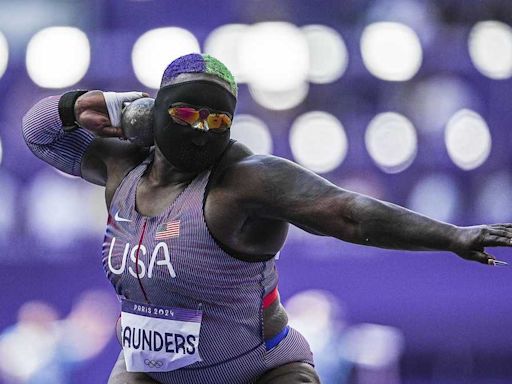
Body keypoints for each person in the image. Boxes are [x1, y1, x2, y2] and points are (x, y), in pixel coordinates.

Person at [22, 53, 511, 384]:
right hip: (152, 372)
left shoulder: (246, 180)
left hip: (261, 372)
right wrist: (97, 104)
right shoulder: (121, 166)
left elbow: (346, 213)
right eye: (187, 114)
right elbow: (39, 131)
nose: (202, 132)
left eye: (218, 121)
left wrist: (452, 236)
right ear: (153, 113)